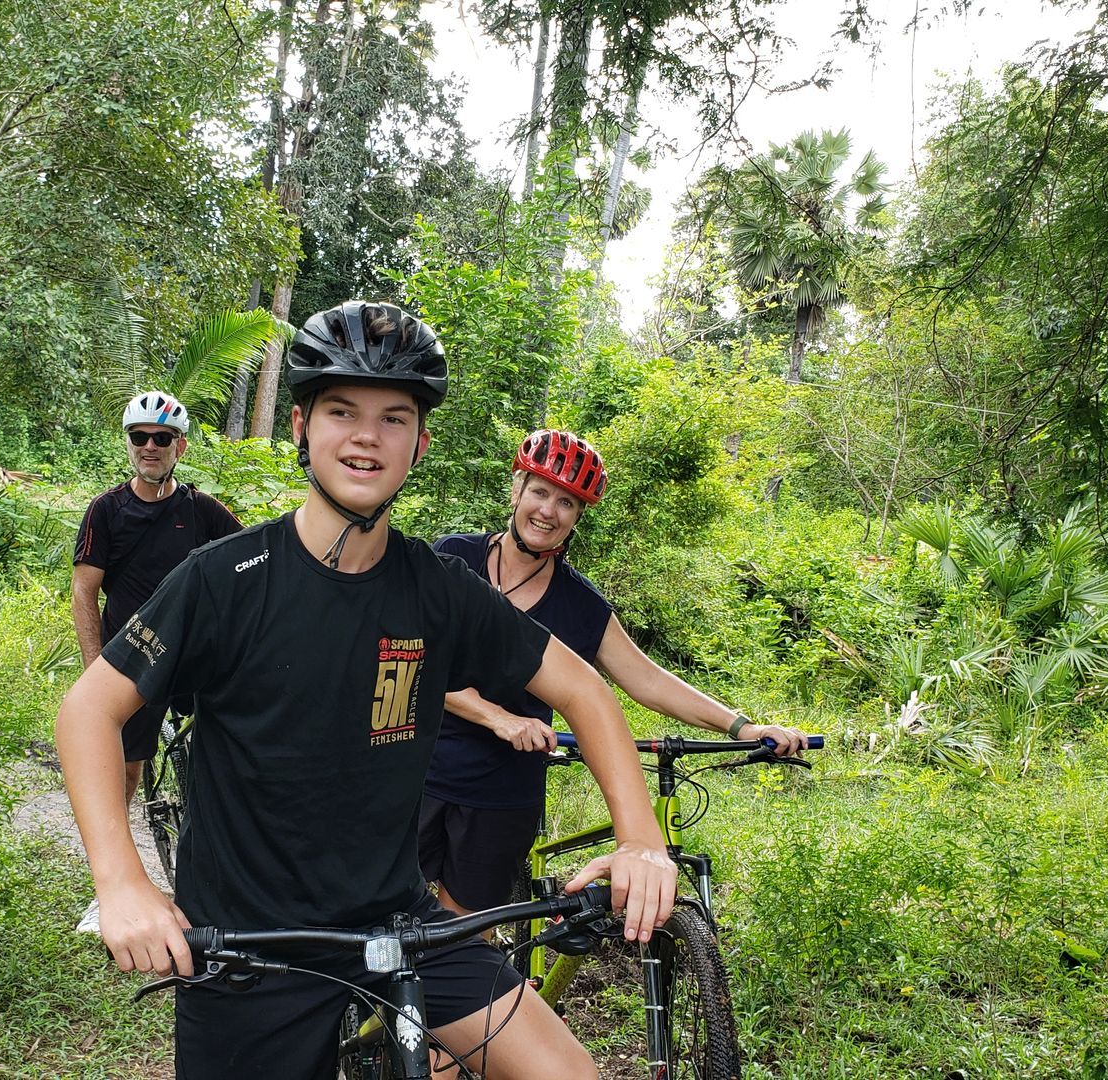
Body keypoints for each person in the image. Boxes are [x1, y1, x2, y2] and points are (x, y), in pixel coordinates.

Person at [56, 302, 676, 1079]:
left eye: (393, 417)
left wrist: (642, 840)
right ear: (301, 425)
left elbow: (586, 690)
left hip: (400, 922)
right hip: (249, 946)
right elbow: (87, 711)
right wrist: (121, 883)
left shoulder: (437, 588)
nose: (365, 435)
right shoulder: (225, 579)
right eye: (342, 410)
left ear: (418, 443)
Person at [419, 429, 814, 916]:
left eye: (566, 502)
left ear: (578, 516)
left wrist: (742, 725)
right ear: (516, 489)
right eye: (540, 491)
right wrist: (497, 717)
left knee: (463, 939)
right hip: (417, 772)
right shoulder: (454, 557)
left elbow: (647, 680)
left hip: (500, 795)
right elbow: (412, 660)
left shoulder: (579, 604)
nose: (548, 510)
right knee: (385, 924)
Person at [72, 390, 242, 806]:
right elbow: (83, 591)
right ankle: (115, 862)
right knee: (126, 769)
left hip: (191, 655)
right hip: (130, 657)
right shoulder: (107, 510)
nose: (149, 446)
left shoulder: (202, 510)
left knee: (231, 753)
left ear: (179, 446)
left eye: (162, 438)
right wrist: (95, 670)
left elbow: (249, 561)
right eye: (139, 437)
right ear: (129, 443)